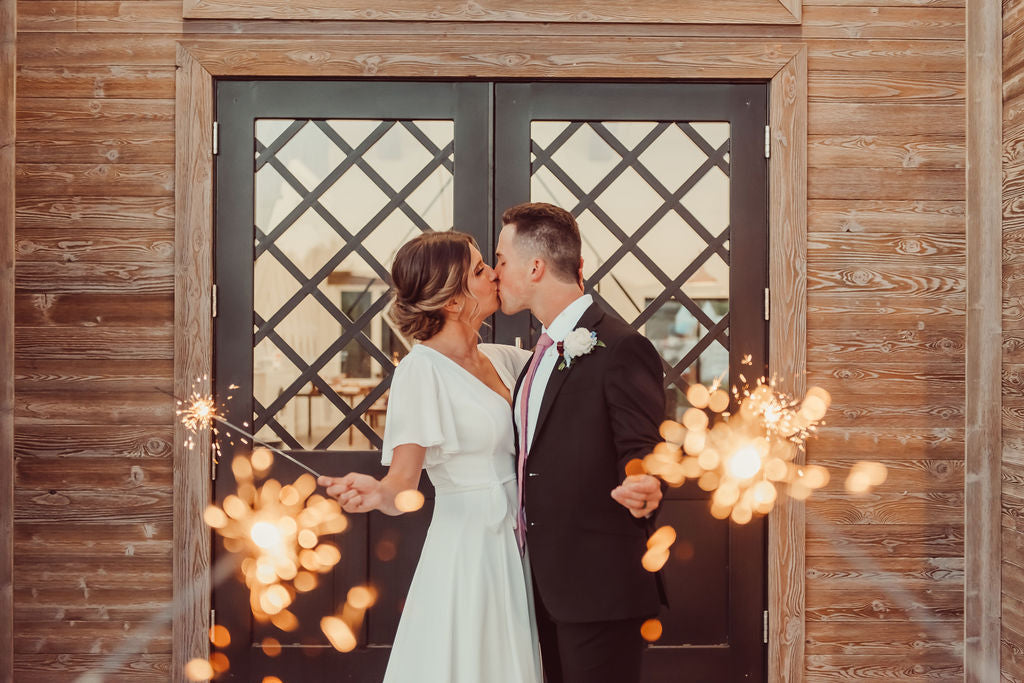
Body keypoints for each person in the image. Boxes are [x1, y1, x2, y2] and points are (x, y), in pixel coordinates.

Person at [317, 231, 541, 683]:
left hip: (520, 538)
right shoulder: (421, 371)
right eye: (480, 270)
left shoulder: (506, 360)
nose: (494, 273)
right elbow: (402, 483)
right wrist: (375, 492)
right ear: (454, 301)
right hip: (469, 547)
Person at [494, 202, 666, 683]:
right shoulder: (535, 355)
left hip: (598, 585)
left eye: (502, 260)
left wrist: (645, 481)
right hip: (538, 582)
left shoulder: (621, 346)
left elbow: (642, 444)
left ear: (535, 267)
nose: (495, 272)